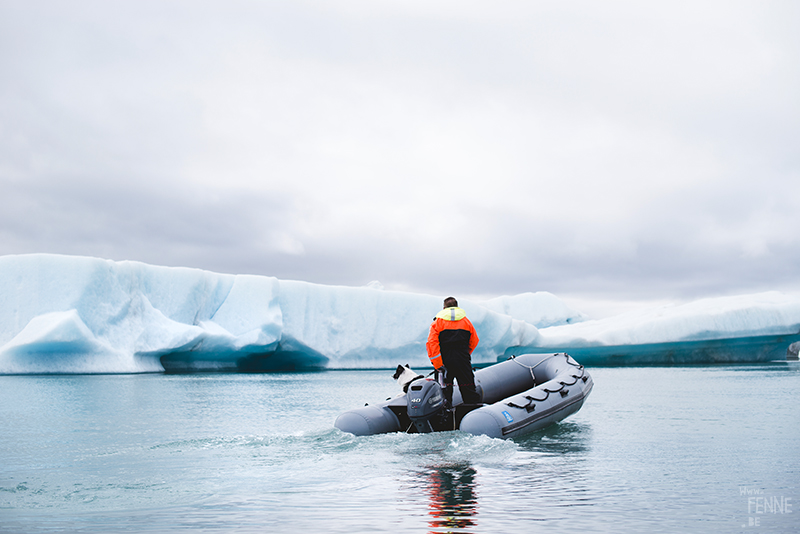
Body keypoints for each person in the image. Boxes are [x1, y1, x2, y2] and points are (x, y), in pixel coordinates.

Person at [426, 297, 481, 405]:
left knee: (444, 392)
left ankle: (445, 417)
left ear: (444, 308)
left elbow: (432, 344)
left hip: (444, 363)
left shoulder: (437, 323)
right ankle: (472, 413)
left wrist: (438, 364)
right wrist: (465, 354)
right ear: (457, 307)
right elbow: (474, 340)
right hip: (462, 360)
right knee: (468, 389)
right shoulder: (466, 322)